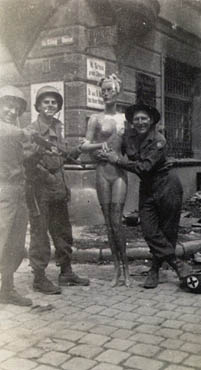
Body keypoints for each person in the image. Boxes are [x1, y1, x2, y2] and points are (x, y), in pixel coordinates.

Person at [99, 103, 192, 289]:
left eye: (144, 119)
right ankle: (177, 264)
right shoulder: (129, 138)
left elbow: (144, 167)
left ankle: (154, 270)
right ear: (132, 122)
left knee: (167, 231)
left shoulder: (159, 140)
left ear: (151, 121)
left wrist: (117, 161)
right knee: (149, 230)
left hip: (167, 184)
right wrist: (102, 149)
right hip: (147, 188)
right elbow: (115, 146)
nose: (140, 122)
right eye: (136, 119)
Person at [24, 85, 89, 295]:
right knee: (40, 234)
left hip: (59, 189)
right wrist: (48, 175)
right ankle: (39, 278)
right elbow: (28, 162)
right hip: (40, 191)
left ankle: (66, 272)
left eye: (54, 102)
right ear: (38, 106)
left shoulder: (58, 129)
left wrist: (81, 148)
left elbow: (64, 156)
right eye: (46, 102)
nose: (50, 105)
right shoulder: (31, 131)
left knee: (63, 232)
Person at [81, 74, 130, 287]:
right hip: (102, 172)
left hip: (118, 173)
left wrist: (122, 158)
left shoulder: (125, 119)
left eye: (110, 90)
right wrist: (98, 148)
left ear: (117, 91)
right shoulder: (95, 119)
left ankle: (126, 268)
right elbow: (84, 146)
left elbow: (131, 148)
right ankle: (116, 269)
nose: (106, 94)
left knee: (117, 220)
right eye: (103, 91)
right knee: (109, 223)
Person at [0, 85, 33, 306]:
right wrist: (29, 136)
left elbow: (23, 154)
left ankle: (7, 288)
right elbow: (10, 134)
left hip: (18, 190)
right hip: (3, 189)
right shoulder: (8, 130)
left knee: (16, 242)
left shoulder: (15, 131)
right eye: (7, 106)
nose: (12, 111)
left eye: (16, 108)